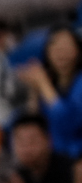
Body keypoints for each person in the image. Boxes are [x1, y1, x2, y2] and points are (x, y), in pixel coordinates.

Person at [19, 24, 81, 160]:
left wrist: (43, 84)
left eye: (66, 45)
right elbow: (34, 124)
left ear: (78, 50)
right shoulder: (50, 84)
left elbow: (69, 126)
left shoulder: (78, 83)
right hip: (54, 161)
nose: (60, 51)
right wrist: (34, 91)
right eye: (54, 46)